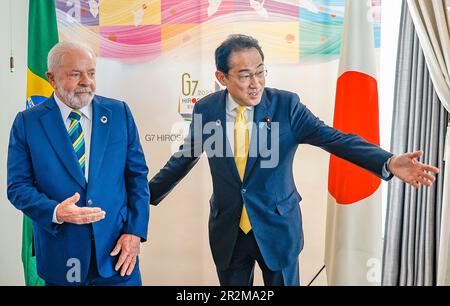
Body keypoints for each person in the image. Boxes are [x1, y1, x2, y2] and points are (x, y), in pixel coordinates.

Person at [148, 34, 439, 286]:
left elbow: (334, 139)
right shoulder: (206, 110)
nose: (256, 83)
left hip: (277, 228)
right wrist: (141, 196)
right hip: (229, 232)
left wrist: (387, 162)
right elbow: (183, 159)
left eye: (261, 72)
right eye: (245, 75)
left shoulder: (287, 106)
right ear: (222, 78)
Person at [7, 41, 150, 286]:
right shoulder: (27, 123)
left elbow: (136, 178)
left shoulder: (119, 113)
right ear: (51, 78)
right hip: (60, 256)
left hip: (117, 256)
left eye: (91, 73)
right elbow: (18, 187)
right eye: (75, 74)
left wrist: (134, 232)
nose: (87, 81)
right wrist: (55, 212)